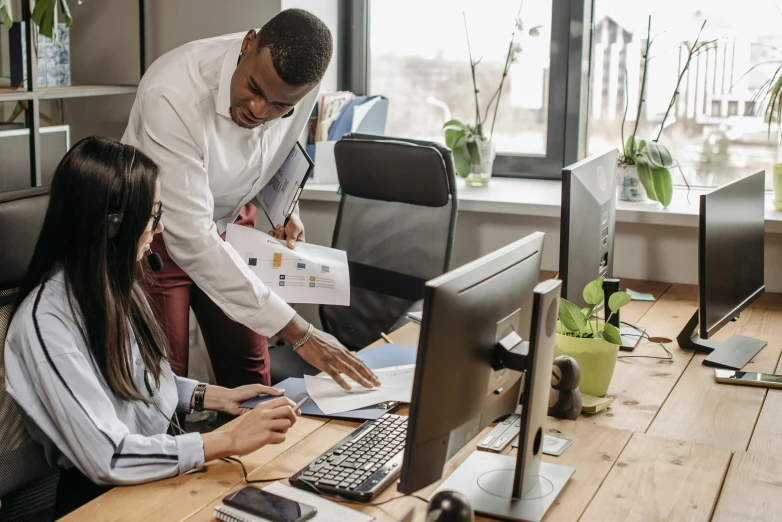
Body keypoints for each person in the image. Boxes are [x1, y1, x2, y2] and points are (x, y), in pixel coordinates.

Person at [4, 137, 300, 516]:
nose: (157, 230)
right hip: (103, 499)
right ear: (114, 226)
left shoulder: (114, 285)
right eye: (153, 215)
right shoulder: (46, 324)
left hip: (155, 473)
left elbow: (135, 379)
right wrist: (226, 439)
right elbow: (108, 455)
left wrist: (215, 396)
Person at [121, 9, 379, 390]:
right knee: (162, 382)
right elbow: (192, 237)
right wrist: (302, 333)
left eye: (279, 107)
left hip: (232, 225)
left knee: (251, 371)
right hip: (155, 233)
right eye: (255, 90)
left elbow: (277, 150)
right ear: (247, 44)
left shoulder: (297, 88)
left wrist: (287, 206)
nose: (260, 111)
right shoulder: (173, 92)